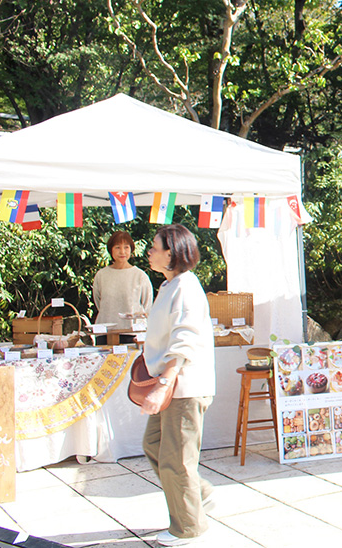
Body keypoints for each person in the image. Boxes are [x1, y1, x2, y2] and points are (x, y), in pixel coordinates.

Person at [142, 224, 216, 546]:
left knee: (176, 459)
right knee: (154, 445)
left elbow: (184, 338)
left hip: (183, 386)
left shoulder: (186, 286)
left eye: (154, 247)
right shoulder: (169, 286)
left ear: (171, 253)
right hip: (174, 385)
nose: (149, 252)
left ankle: (188, 528)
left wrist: (164, 381)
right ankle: (200, 496)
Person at [92, 231, 153, 327]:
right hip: (106, 331)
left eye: (126, 247)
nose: (122, 252)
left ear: (131, 249)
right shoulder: (101, 275)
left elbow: (147, 305)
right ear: (110, 250)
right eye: (117, 247)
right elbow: (98, 302)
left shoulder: (140, 276)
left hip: (133, 332)